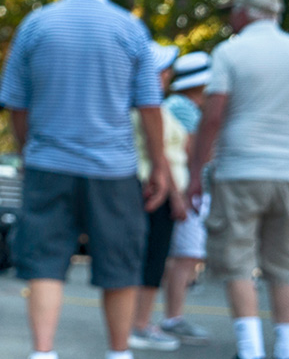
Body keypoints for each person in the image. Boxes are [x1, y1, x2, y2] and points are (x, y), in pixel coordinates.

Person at [0, 0, 175, 359]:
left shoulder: (36, 25)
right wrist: (159, 167)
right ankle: (118, 352)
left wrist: (27, 151)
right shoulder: (130, 29)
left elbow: (16, 103)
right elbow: (150, 106)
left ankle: (43, 352)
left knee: (45, 263)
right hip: (113, 170)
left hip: (48, 164)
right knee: (120, 266)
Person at [186, 0, 289, 359]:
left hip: (239, 169)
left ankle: (250, 350)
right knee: (284, 268)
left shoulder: (230, 53)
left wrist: (195, 173)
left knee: (237, 263)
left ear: (243, 12)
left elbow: (213, 116)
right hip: (288, 173)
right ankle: (288, 350)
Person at [128, 44, 190, 351]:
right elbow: (160, 154)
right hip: (157, 190)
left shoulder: (157, 107)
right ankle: (139, 325)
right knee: (152, 258)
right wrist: (176, 196)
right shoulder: (148, 109)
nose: (168, 75)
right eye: (162, 70)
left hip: (157, 188)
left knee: (152, 258)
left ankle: (139, 321)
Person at [159, 51, 214, 345]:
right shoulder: (183, 108)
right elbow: (196, 153)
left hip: (184, 190)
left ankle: (172, 316)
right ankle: (173, 318)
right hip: (187, 191)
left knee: (184, 255)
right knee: (185, 255)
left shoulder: (179, 106)